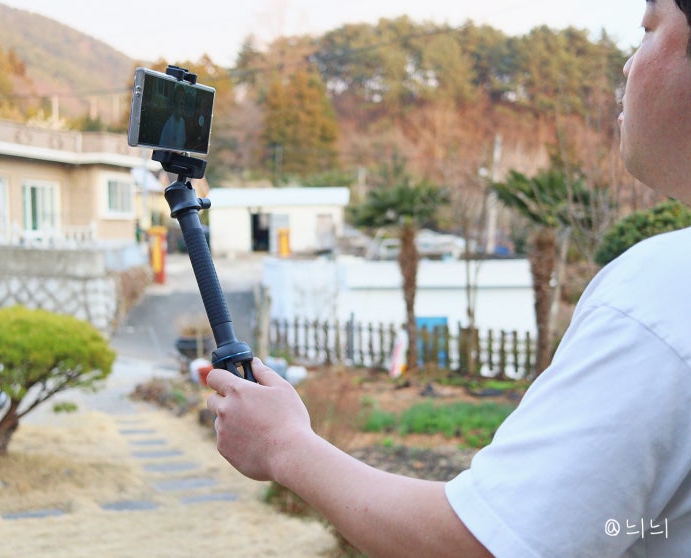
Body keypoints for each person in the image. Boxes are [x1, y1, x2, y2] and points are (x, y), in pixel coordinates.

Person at [207, 1, 691, 555]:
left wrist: (285, 446)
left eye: (649, 28)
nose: (628, 64)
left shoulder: (664, 293)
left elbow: (484, 546)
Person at [158, 84, 186, 149]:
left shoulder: (183, 122)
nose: (181, 102)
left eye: (183, 98)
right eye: (179, 98)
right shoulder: (168, 123)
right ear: (175, 102)